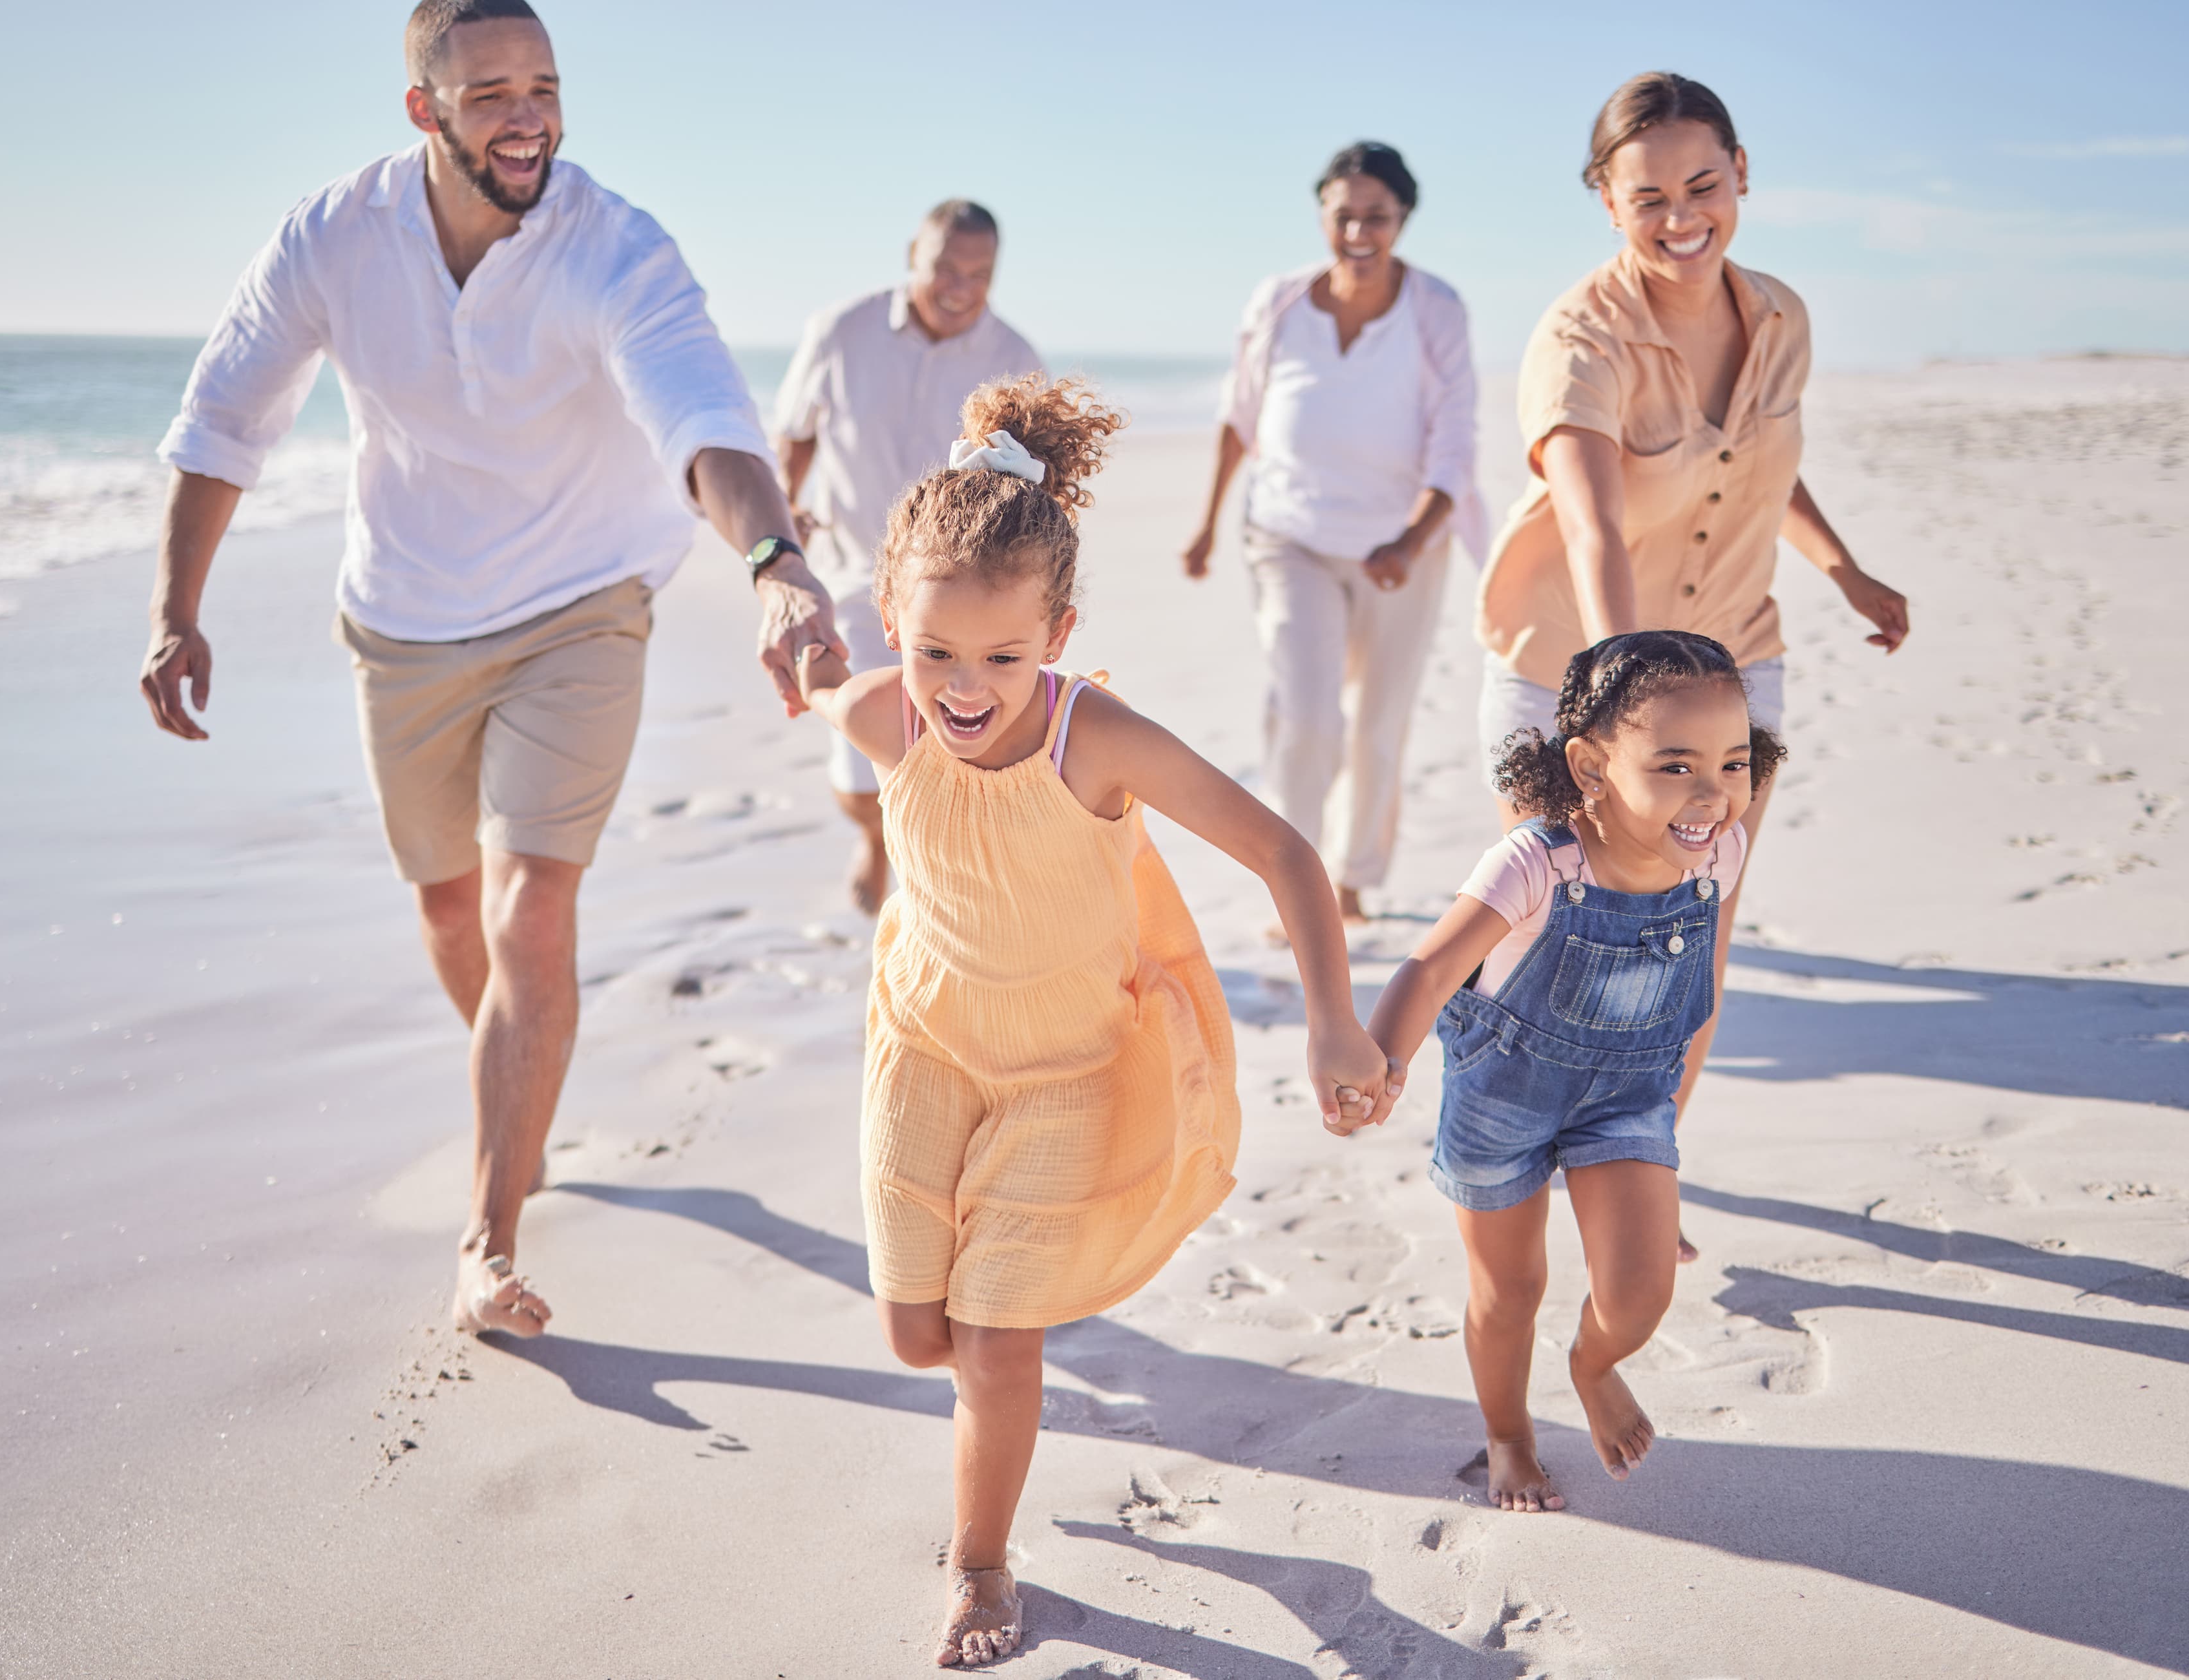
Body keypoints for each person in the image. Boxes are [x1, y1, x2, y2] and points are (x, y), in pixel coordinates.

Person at [138, 0, 840, 1339]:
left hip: (582, 601)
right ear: (424, 109)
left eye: (545, 88)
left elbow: (702, 415)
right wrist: (177, 611)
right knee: (451, 910)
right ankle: (521, 1093)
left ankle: (489, 1237)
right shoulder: (331, 238)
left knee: (530, 911)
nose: (529, 119)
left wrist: (775, 565)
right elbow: (226, 418)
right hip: (404, 613)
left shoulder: (615, 247)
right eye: (492, 95)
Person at [797, 375, 1389, 1668]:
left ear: (1057, 633)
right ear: (893, 618)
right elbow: (817, 678)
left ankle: (980, 1562)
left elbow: (1286, 854)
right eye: (934, 652)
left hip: (1066, 1073)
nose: (964, 689)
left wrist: (1333, 1024)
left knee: (995, 1341)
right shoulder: (883, 711)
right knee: (917, 1333)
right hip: (924, 1047)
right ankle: (990, 1381)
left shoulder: (1093, 738)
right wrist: (784, 607)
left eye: (1003, 658)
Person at [1472, 74, 1909, 1255]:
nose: (1681, 217)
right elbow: (1592, 527)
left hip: (1731, 664)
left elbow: (1758, 467)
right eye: (1649, 197)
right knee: (1555, 934)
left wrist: (1843, 569)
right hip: (1571, 676)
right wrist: (1620, 705)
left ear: (1741, 174)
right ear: (1607, 202)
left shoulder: (1781, 318)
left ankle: (1637, 1174)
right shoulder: (1580, 338)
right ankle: (1509, 1163)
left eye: (1703, 186)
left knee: (1693, 935)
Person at [1362, 631, 1784, 1509]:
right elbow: (1429, 972)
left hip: (1625, 1098)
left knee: (1638, 1295)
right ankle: (1508, 1436)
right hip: (1502, 1099)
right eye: (1674, 766)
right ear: (1591, 767)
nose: (1712, 795)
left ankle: (1592, 1365)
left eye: (1733, 763)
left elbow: (1693, 987)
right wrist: (1381, 1062)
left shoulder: (1720, 852)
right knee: (1509, 1290)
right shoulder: (1535, 862)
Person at [1182, 142, 1483, 924]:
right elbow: (1239, 415)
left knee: (1378, 722)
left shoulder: (1435, 309)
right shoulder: (1279, 302)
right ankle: (1295, 880)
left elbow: (1454, 442)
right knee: (1305, 716)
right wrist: (1206, 524)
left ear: (1402, 219)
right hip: (1289, 535)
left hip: (1401, 547)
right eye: (1342, 215)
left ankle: (1352, 877)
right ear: (1321, 214)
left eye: (1375, 216)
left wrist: (1409, 541)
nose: (1357, 232)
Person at [773, 202, 1044, 912]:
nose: (961, 288)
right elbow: (795, 432)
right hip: (852, 574)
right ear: (912, 257)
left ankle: (937, 896)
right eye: (946, 269)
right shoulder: (841, 331)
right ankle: (874, 836)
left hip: (961, 595)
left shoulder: (1016, 358)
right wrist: (784, 507)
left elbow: (1039, 481)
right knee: (859, 762)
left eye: (979, 274)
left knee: (954, 746)